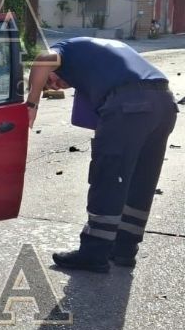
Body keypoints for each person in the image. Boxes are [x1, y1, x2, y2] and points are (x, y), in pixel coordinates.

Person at [28, 37, 177, 272]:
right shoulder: (99, 50)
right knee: (141, 179)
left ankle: (93, 252)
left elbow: (42, 61)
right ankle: (125, 249)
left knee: (108, 176)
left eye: (50, 82)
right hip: (164, 103)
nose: (54, 86)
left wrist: (31, 103)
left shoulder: (64, 49)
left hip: (130, 104)